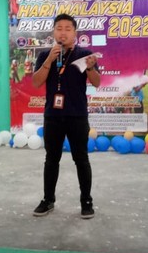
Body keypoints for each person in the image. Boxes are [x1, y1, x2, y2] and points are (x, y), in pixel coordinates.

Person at [32, 13, 100, 219]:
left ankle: (86, 201)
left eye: (67, 29)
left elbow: (97, 82)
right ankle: (48, 200)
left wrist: (90, 67)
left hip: (77, 115)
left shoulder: (85, 54)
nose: (63, 33)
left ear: (74, 32)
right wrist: (49, 61)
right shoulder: (45, 55)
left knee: (81, 159)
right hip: (53, 116)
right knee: (51, 159)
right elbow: (36, 82)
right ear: (54, 32)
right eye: (59, 28)